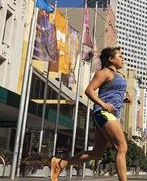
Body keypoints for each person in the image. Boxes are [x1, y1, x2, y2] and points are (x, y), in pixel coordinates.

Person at [50, 46, 131, 181]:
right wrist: (103, 104)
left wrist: (125, 98)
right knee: (122, 147)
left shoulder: (119, 75)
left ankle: (60, 163)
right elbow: (89, 90)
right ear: (111, 59)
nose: (123, 59)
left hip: (111, 115)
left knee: (97, 153)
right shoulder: (104, 72)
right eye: (120, 56)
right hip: (103, 113)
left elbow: (112, 93)